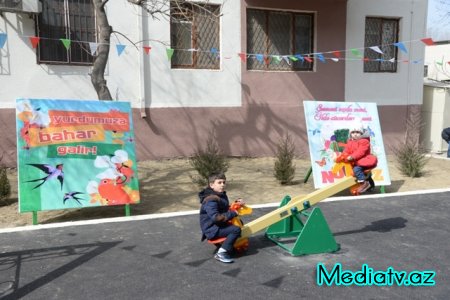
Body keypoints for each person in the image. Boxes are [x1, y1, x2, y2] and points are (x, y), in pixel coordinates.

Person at [199, 172, 244, 263]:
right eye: (219, 183)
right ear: (212, 185)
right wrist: (233, 213)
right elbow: (216, 217)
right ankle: (221, 253)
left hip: (216, 225)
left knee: (240, 223)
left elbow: (224, 207)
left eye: (224, 182)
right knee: (236, 229)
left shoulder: (220, 195)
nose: (222, 185)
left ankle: (225, 245)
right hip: (212, 228)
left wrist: (236, 203)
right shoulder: (211, 199)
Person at [336, 126, 378, 192]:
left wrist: (352, 156)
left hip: (364, 160)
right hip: (355, 161)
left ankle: (364, 183)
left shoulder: (364, 141)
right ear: (350, 134)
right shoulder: (350, 142)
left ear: (362, 134)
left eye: (358, 132)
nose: (355, 134)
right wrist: (342, 156)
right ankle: (370, 186)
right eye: (353, 132)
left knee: (357, 169)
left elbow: (360, 152)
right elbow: (346, 150)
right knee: (363, 173)